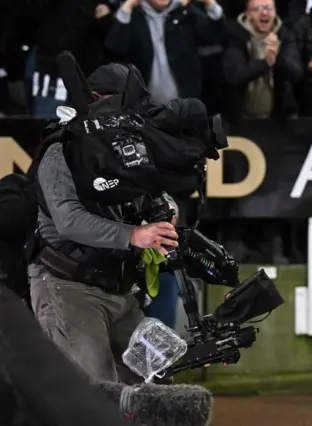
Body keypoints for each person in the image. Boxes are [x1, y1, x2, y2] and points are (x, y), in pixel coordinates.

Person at [28, 62, 181, 383]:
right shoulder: (61, 149)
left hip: (123, 290)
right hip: (69, 288)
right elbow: (68, 219)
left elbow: (154, 195)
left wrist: (165, 210)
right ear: (96, 99)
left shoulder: (127, 148)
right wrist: (134, 234)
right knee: (94, 391)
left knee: (157, 382)